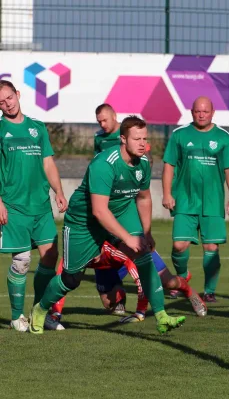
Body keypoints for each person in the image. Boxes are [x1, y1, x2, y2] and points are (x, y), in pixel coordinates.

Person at [50, 104, 205, 325]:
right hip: (101, 226)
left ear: (115, 117)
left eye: (105, 119)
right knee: (108, 302)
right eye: (98, 121)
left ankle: (186, 289)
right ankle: (52, 311)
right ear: (124, 140)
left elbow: (143, 197)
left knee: (162, 279)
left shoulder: (138, 157)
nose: (101, 124)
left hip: (122, 229)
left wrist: (145, 233)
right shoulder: (102, 154)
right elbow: (99, 201)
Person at [0, 80, 68, 332]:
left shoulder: (38, 128)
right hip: (14, 206)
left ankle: (40, 313)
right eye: (1, 102)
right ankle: (17, 317)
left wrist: (58, 192)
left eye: (9, 98)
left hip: (41, 206)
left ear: (17, 94)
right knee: (22, 261)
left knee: (50, 257)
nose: (7, 104)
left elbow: (48, 163)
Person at [162, 96, 229, 303]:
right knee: (179, 245)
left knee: (211, 248)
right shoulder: (179, 134)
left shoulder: (223, 137)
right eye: (198, 111)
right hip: (185, 199)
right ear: (192, 112)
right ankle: (182, 277)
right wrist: (167, 193)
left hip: (213, 201)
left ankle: (210, 290)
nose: (202, 114)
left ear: (213, 112)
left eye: (205, 111)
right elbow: (169, 165)